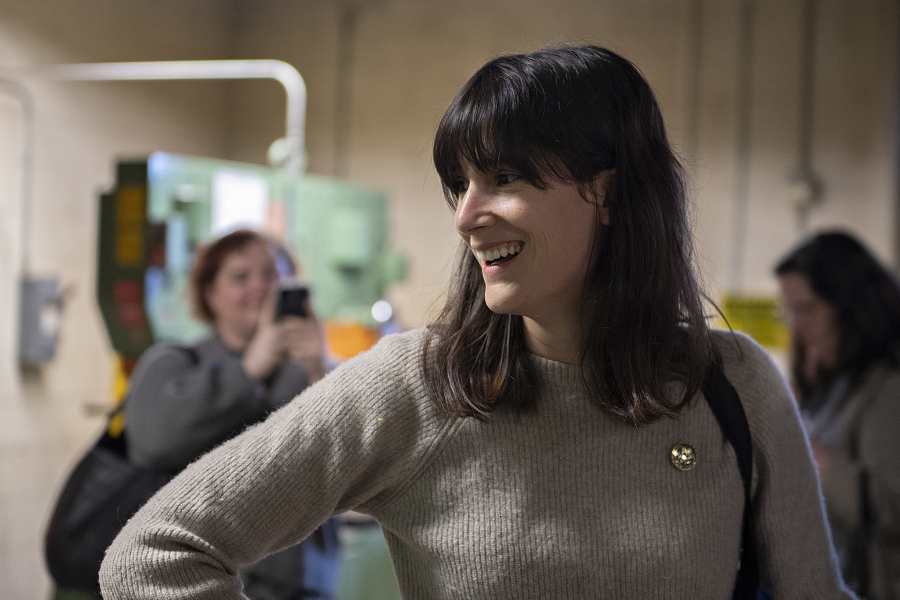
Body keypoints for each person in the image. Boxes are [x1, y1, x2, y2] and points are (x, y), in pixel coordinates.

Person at [100, 45, 853, 599]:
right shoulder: (419, 387)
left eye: (504, 179)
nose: (466, 215)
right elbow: (156, 551)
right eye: (459, 184)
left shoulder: (735, 386)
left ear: (611, 192)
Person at [122, 228, 340, 600]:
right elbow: (154, 441)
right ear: (210, 294)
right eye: (241, 277)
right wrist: (250, 368)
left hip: (301, 587)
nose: (260, 287)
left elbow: (350, 458)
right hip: (200, 585)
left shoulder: (313, 370)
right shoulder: (174, 363)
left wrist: (318, 371)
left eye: (272, 275)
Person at [776, 231, 900, 599]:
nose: (796, 328)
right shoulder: (836, 381)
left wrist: (802, 449)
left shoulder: (889, 386)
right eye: (789, 312)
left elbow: (890, 504)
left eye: (807, 309)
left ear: (849, 304)